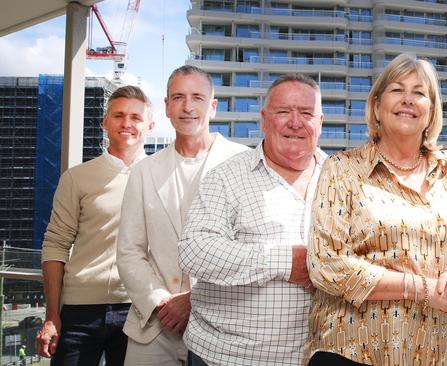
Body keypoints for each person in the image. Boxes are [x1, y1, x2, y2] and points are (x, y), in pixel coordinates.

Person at [305, 53, 447, 365]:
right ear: (377, 106)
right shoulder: (340, 169)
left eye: (419, 92)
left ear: (431, 111)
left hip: (442, 351)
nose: (408, 99)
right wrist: (421, 289)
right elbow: (326, 264)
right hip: (354, 352)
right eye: (397, 90)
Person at [178, 74, 325, 365]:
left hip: (314, 356)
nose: (295, 122)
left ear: (320, 121)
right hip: (227, 357)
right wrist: (286, 262)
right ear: (264, 119)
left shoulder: (340, 179)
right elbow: (194, 251)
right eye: (283, 111)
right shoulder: (225, 177)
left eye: (306, 113)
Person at [116, 65, 248, 365]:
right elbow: (129, 251)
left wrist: (193, 301)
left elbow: (250, 251)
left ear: (212, 106)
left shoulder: (245, 163)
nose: (187, 107)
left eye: (197, 97)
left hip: (224, 327)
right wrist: (162, 303)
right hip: (154, 328)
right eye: (178, 97)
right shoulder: (143, 172)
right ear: (166, 107)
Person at [35, 85, 155, 365]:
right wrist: (52, 315)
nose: (127, 123)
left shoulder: (161, 177)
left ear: (150, 125)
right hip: (79, 312)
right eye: (118, 115)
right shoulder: (77, 178)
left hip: (139, 310)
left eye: (136, 117)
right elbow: (55, 244)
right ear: (105, 122)